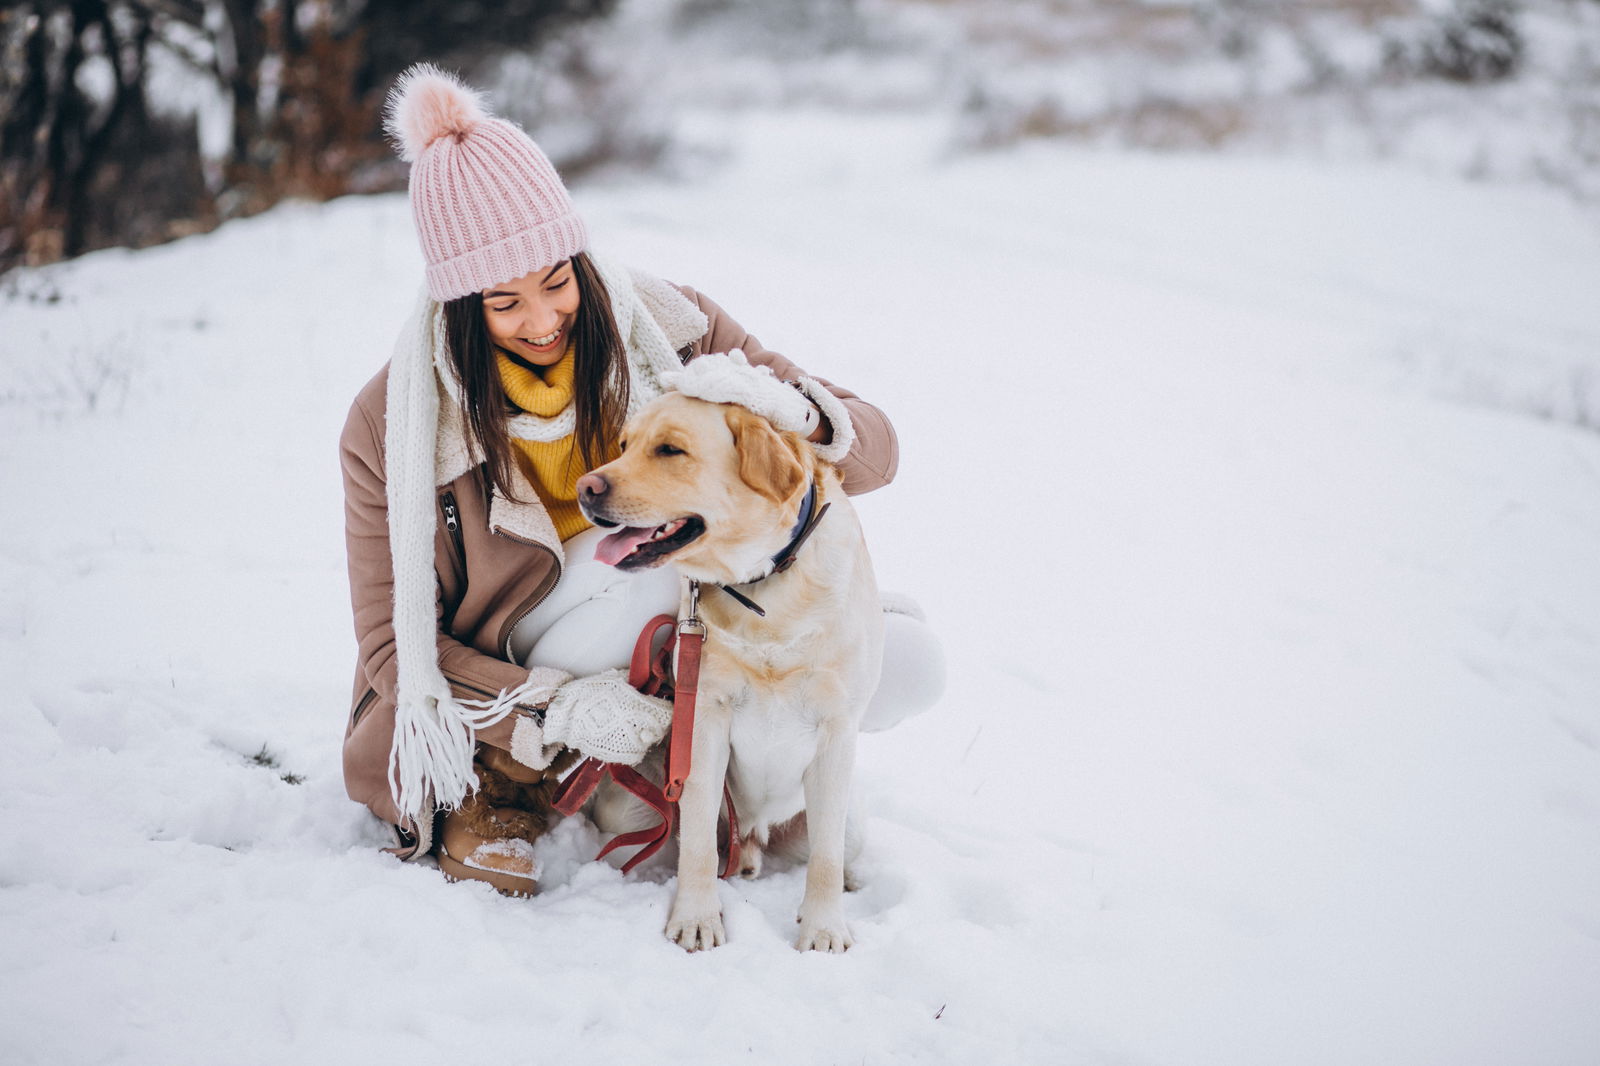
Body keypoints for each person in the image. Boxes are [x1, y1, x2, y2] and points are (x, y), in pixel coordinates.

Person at [340, 64, 943, 895]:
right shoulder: (391, 422)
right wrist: (549, 704)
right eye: (504, 303)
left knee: (907, 660)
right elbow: (389, 649)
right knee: (642, 577)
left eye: (558, 282)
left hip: (678, 606)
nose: (544, 320)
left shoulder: (671, 326)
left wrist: (786, 405)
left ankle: (750, 785)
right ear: (458, 306)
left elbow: (872, 455)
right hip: (523, 655)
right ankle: (508, 783)